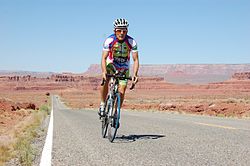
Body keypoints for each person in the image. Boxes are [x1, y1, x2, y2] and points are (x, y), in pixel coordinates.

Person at [99, 18, 139, 117]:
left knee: (122, 89)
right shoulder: (109, 40)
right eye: (119, 30)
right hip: (111, 63)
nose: (121, 33)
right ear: (114, 31)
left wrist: (135, 75)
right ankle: (103, 104)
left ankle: (116, 111)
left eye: (124, 31)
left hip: (124, 66)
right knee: (105, 80)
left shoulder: (132, 42)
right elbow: (103, 58)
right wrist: (104, 72)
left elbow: (136, 60)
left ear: (127, 31)